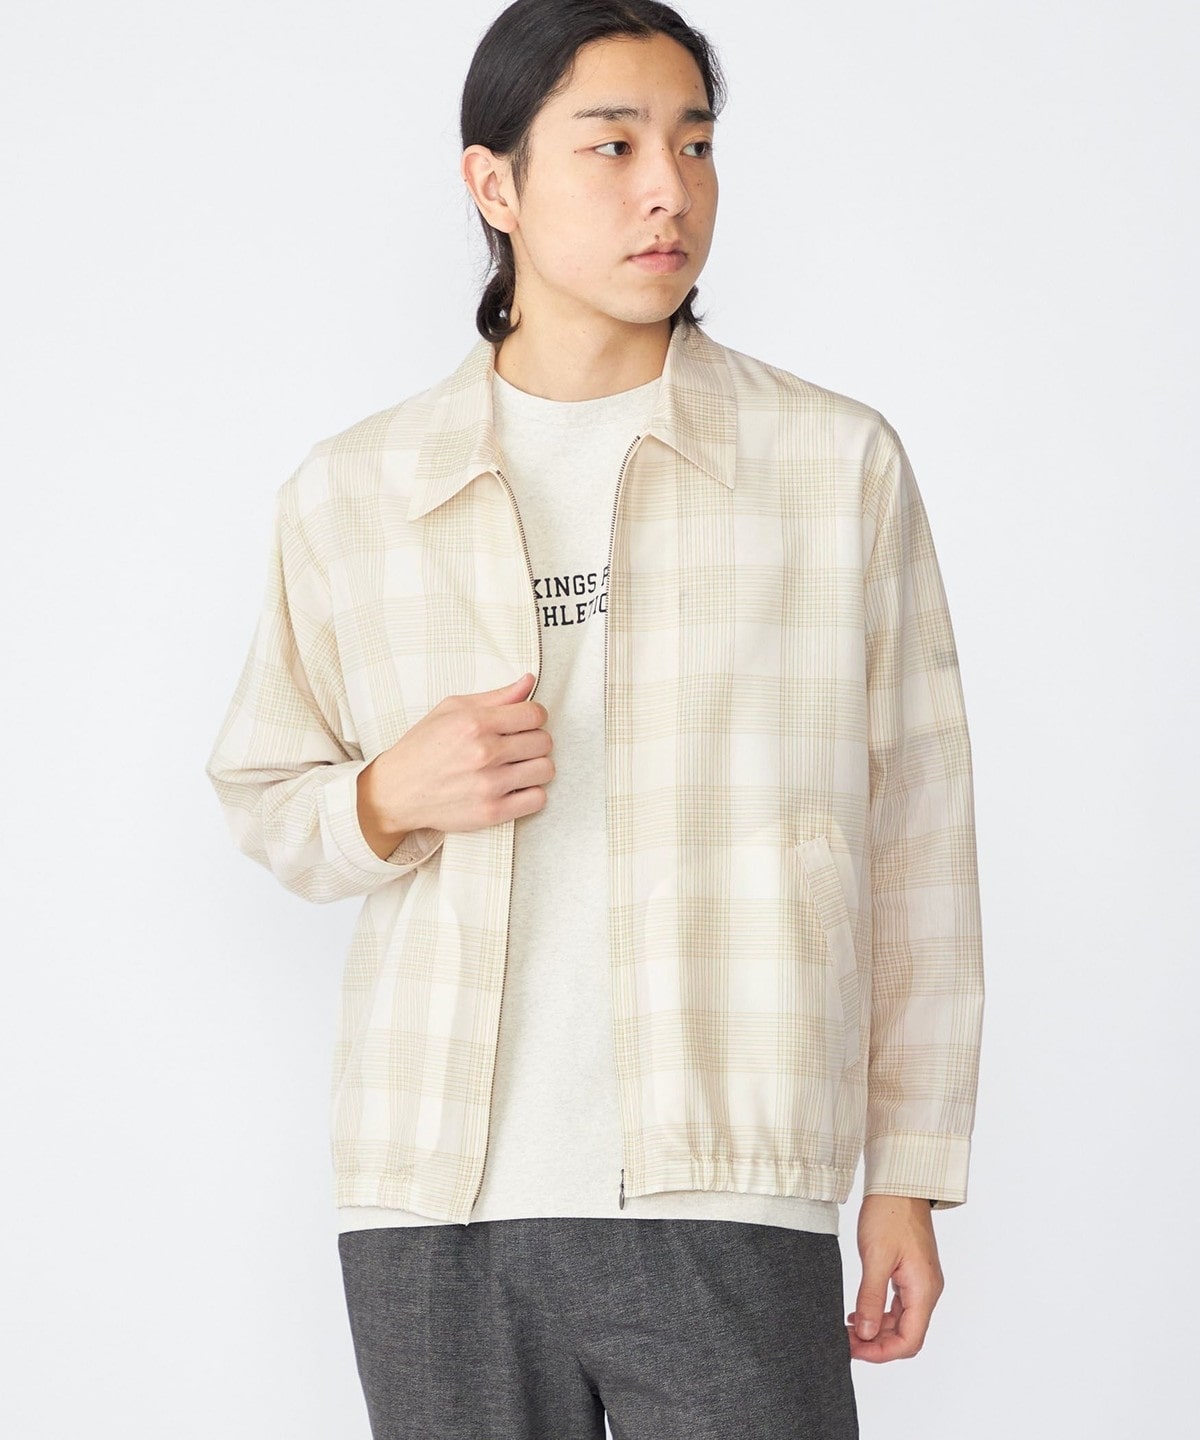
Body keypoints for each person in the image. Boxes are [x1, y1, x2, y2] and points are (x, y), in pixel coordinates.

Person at [204, 1, 985, 1435]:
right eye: (613, 145)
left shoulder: (832, 468)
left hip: (729, 1175)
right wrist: (384, 798)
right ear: (493, 184)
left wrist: (911, 1173)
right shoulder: (356, 490)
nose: (667, 189)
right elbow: (263, 788)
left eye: (695, 144)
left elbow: (918, 839)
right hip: (432, 1195)